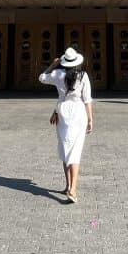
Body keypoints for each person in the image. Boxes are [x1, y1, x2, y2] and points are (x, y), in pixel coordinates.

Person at [39, 45, 93, 203]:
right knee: (74, 152)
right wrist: (90, 119)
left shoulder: (56, 74)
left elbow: (41, 77)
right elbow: (87, 99)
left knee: (65, 148)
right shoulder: (83, 76)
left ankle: (68, 185)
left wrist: (53, 64)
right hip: (78, 113)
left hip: (63, 112)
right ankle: (73, 189)